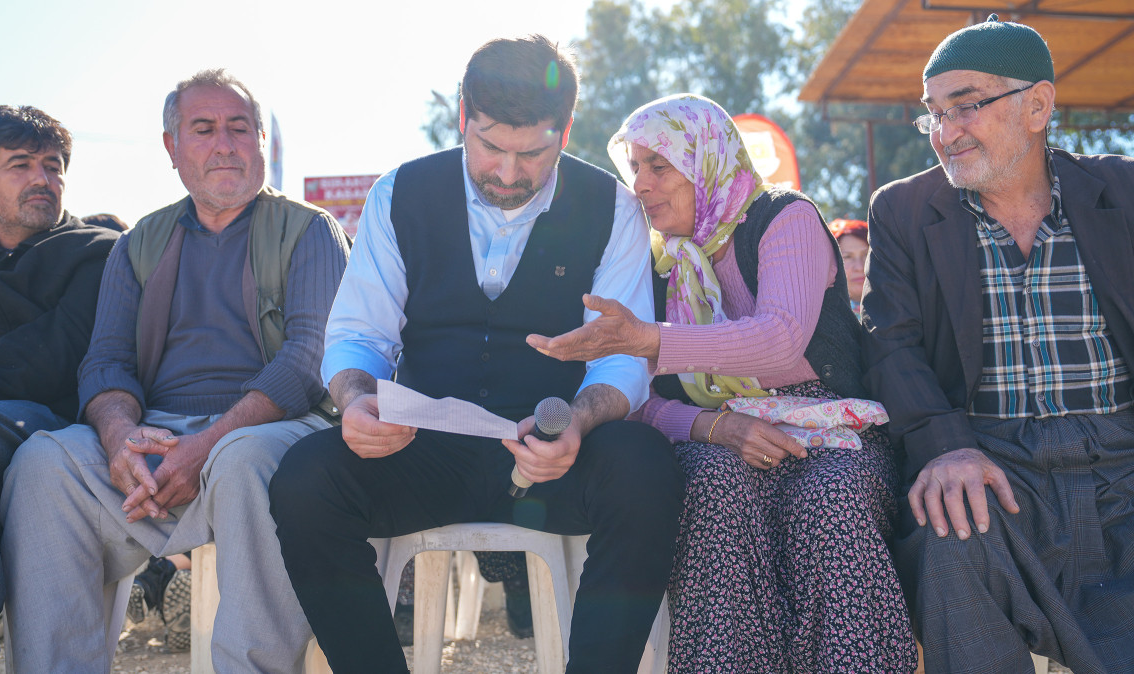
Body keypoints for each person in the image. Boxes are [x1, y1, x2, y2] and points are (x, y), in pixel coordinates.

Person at [269, 35, 685, 674]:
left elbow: (621, 359)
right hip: (423, 449)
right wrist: (355, 401)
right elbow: (359, 336)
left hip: (553, 452)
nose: (509, 173)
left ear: (566, 130)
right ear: (463, 116)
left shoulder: (611, 209)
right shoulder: (398, 194)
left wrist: (578, 423)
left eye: (534, 152)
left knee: (645, 467)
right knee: (304, 480)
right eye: (490, 146)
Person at [529, 93, 917, 672]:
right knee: (712, 488)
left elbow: (778, 338)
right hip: (717, 436)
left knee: (828, 499)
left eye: (659, 166)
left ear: (707, 161)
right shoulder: (662, 263)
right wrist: (714, 425)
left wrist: (650, 340)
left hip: (829, 427)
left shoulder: (784, 217)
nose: (641, 184)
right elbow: (641, 400)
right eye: (634, 167)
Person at [0, 68, 351, 672]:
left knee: (245, 462)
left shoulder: (309, 230)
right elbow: (105, 360)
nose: (225, 144)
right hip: (160, 434)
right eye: (204, 128)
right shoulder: (140, 241)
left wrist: (207, 446)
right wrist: (118, 440)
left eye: (240, 128)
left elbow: (306, 362)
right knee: (42, 463)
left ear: (260, 141)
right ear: (172, 147)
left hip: (271, 429)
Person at [862, 15, 1134, 674]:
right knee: (946, 540)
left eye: (967, 107)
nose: (945, 133)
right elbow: (890, 341)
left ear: (1037, 105)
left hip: (1124, 461)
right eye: (933, 115)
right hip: (992, 461)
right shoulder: (901, 210)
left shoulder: (1124, 192)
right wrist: (944, 444)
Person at [0, 105, 118, 674]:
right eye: (20, 165)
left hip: (38, 428)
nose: (43, 178)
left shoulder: (100, 250)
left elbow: (57, 352)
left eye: (53, 165)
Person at [827, 217, 869, 315]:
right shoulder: (817, 320)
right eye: (847, 257)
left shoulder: (903, 307)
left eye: (866, 255)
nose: (860, 267)